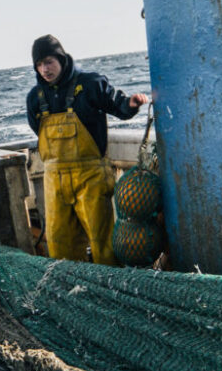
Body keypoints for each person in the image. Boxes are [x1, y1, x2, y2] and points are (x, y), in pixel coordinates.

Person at [26, 35, 149, 265]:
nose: (45, 69)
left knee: (103, 243)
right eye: (40, 64)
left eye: (49, 61)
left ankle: (111, 289)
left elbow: (116, 104)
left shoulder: (90, 83)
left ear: (61, 59)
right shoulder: (35, 98)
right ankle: (72, 290)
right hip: (54, 180)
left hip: (91, 176)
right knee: (59, 243)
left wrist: (130, 104)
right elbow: (37, 129)